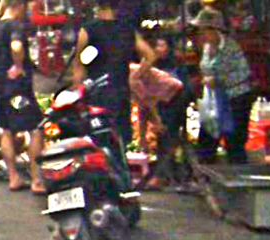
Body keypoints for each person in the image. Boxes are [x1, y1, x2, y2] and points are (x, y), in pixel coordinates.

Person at [73, 0, 156, 188]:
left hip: (97, 93)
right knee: (119, 139)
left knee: (98, 139)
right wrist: (136, 75)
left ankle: (102, 181)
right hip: (120, 91)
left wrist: (79, 90)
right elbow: (150, 55)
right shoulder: (127, 30)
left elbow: (79, 65)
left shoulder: (89, 30)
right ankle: (122, 181)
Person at [0, 0, 46, 193]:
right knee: (36, 128)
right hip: (18, 89)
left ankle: (13, 176)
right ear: (19, 6)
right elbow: (16, 46)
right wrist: (18, 66)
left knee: (6, 130)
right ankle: (37, 179)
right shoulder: (15, 27)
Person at [191, 7, 254, 164]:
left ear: (214, 30)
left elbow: (243, 73)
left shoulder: (231, 47)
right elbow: (205, 69)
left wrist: (219, 81)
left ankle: (237, 169)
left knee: (234, 139)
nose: (201, 34)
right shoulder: (207, 47)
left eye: (204, 30)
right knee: (207, 135)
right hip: (213, 99)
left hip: (235, 97)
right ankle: (206, 166)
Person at [144, 34, 193, 190]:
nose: (159, 49)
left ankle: (166, 176)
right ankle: (165, 176)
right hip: (159, 109)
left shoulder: (177, 66)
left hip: (176, 109)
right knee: (162, 143)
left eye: (162, 45)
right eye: (157, 46)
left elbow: (186, 88)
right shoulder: (151, 66)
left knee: (171, 141)